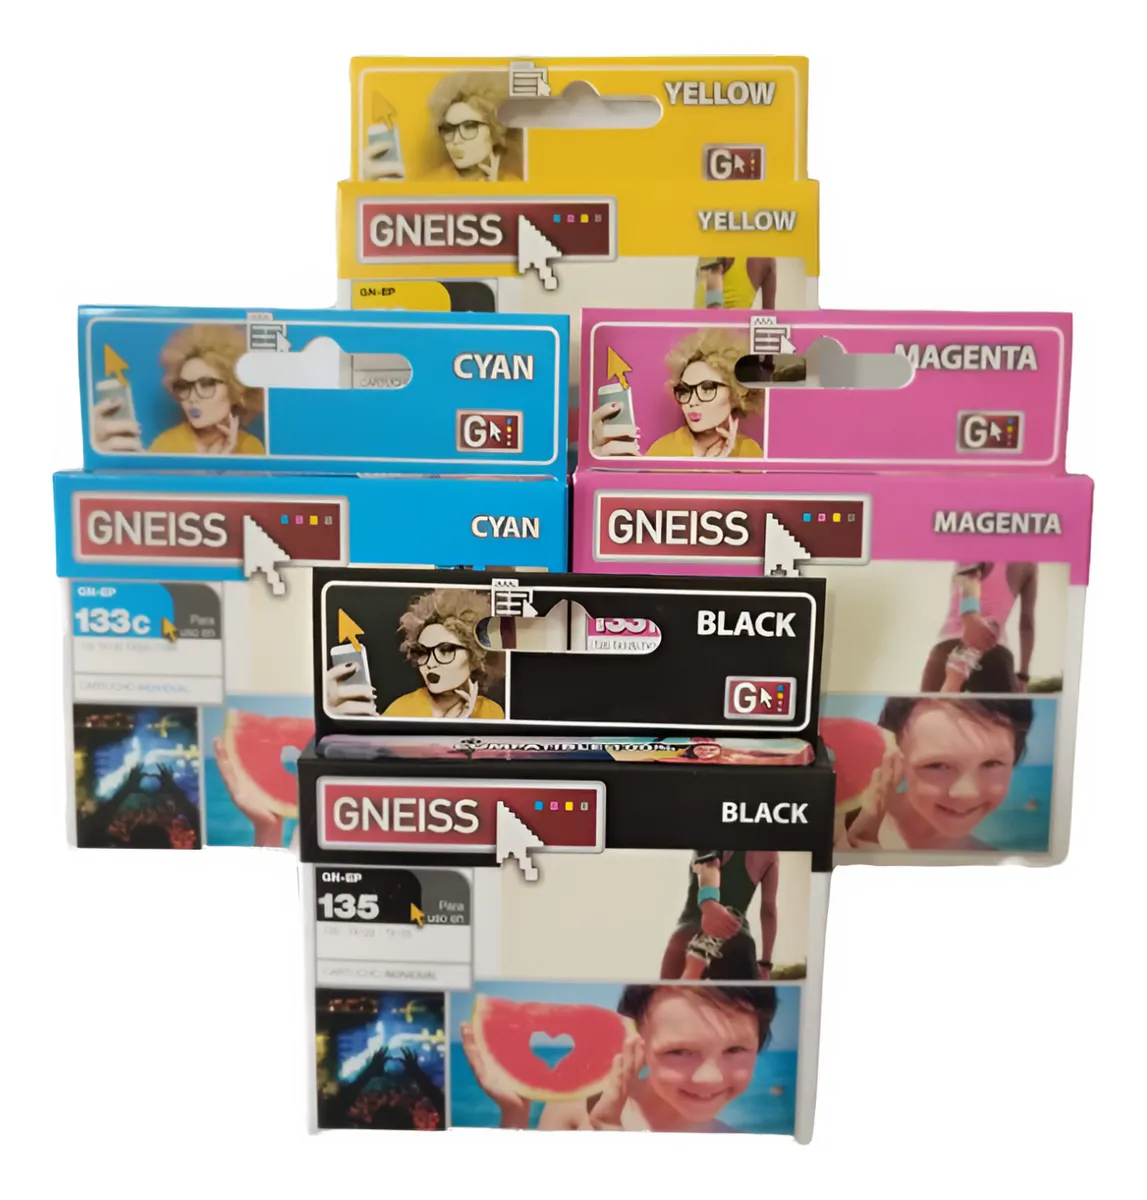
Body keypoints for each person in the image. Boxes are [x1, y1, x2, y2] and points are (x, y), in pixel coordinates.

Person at [460, 985, 778, 1132]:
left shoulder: (740, 1149)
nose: (709, 1077)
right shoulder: (572, 1110)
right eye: (679, 1051)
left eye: (735, 1050)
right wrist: (514, 1118)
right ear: (636, 1044)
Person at [837, 696, 1035, 852]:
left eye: (992, 764)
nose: (967, 793)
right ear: (893, 759)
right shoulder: (835, 827)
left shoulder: (998, 869)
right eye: (937, 765)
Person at [326, 589, 505, 719]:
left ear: (475, 657)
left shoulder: (491, 713)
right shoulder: (401, 711)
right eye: (423, 652)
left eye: (445, 650)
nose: (430, 663)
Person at [91, 324, 265, 455]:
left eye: (206, 385)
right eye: (184, 387)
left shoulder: (250, 448)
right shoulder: (165, 447)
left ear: (234, 390)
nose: (192, 398)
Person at [590, 329, 764, 459]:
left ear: (735, 394)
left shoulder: (749, 453)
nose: (692, 401)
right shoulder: (663, 451)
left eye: (707, 388)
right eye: (685, 391)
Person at [662, 852, 779, 980]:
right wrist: (765, 964)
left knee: (669, 992)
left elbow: (708, 864)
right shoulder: (771, 854)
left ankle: (695, 963)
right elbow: (769, 910)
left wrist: (709, 902)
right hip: (738, 941)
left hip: (690, 932)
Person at [922, 563, 1038, 693]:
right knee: (994, 708)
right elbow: (1027, 623)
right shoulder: (1030, 564)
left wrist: (971, 616)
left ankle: (955, 675)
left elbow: (970, 576)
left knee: (931, 705)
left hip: (949, 645)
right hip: (994, 646)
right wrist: (1023, 677)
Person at [427, 76, 521, 181]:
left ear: (494, 131)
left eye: (469, 127)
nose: (456, 140)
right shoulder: (431, 183)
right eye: (448, 129)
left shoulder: (513, 184)